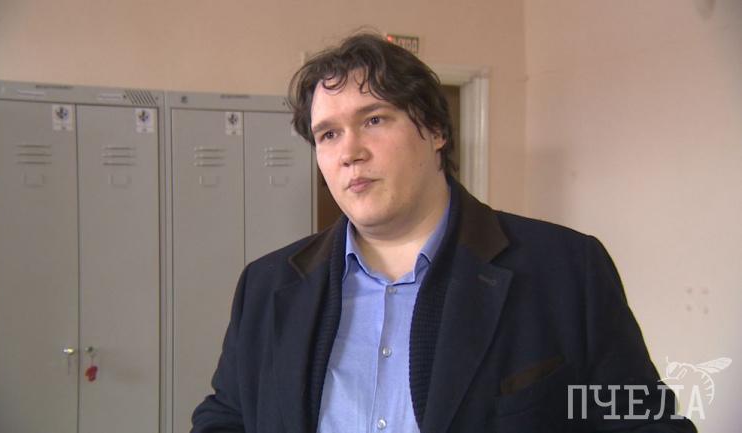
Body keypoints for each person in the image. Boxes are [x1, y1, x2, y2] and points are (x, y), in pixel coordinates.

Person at [191, 33, 697, 433]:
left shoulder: (564, 269)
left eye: (374, 119)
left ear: (436, 130)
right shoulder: (267, 286)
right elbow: (226, 418)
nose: (350, 152)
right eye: (328, 134)